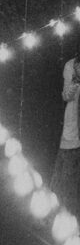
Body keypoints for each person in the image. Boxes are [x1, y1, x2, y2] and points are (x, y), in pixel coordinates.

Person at [52, 42, 80, 215]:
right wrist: (76, 80)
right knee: (66, 175)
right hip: (74, 126)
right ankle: (62, 212)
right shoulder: (71, 65)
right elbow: (66, 96)